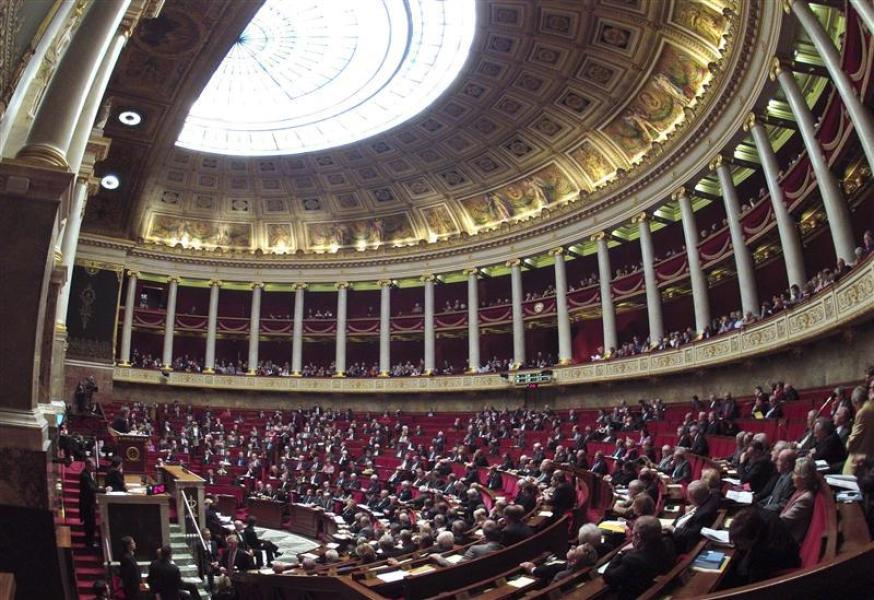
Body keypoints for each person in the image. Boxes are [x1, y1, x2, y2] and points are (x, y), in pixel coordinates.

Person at [603, 516, 676, 600]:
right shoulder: (668, 543)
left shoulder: (633, 559)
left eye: (633, 534)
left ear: (638, 536)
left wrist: (620, 552)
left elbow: (608, 577)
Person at [727, 508, 800, 586]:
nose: (737, 547)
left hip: (780, 572)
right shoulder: (765, 516)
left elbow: (752, 585)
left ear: (754, 538)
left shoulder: (764, 554)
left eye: (740, 544)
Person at [666, 480, 719, 553]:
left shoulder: (703, 514)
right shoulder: (712, 496)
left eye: (689, 497)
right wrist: (695, 507)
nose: (688, 499)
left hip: (681, 543)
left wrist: (673, 529)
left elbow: (692, 534)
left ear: (695, 498)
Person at [780, 457, 819, 544]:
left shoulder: (806, 498)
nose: (792, 477)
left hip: (788, 540)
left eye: (795, 473)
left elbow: (784, 521)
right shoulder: (800, 490)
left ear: (803, 477)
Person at [845, 384, 874, 474]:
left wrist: (848, 443)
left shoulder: (864, 412)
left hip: (860, 464)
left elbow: (851, 444)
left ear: (855, 402)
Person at [79, 458, 102, 548]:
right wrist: (103, 490)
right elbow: (91, 488)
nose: (94, 467)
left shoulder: (90, 474)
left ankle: (90, 541)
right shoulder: (84, 475)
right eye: (93, 466)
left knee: (91, 523)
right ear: (88, 465)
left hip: (90, 503)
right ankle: (89, 543)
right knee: (89, 524)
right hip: (86, 504)